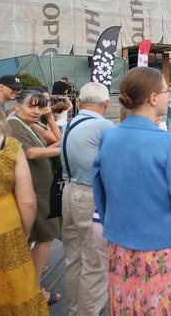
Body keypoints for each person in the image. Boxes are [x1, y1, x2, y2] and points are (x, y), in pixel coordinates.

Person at [92, 67, 171, 315]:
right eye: (165, 90)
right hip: (164, 255)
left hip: (121, 250)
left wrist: (114, 227)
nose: (169, 94)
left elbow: (100, 191)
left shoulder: (110, 137)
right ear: (152, 98)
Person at [0, 92, 48, 315]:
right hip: (5, 231)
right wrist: (24, 233)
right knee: (12, 291)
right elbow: (28, 202)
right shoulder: (9, 145)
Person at [61, 82, 113, 316]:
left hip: (69, 191)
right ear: (107, 104)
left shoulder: (69, 124)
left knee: (74, 257)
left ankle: (74, 308)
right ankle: (87, 311)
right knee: (94, 262)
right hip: (91, 196)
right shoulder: (104, 126)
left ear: (79, 102)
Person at [7, 90, 62, 306]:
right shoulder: (14, 124)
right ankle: (34, 289)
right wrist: (64, 146)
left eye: (40, 107)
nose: (36, 111)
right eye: (32, 106)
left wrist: (58, 141)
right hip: (33, 190)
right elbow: (32, 153)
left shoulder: (23, 124)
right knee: (45, 237)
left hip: (37, 188)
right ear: (18, 105)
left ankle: (26, 286)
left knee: (33, 239)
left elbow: (45, 146)